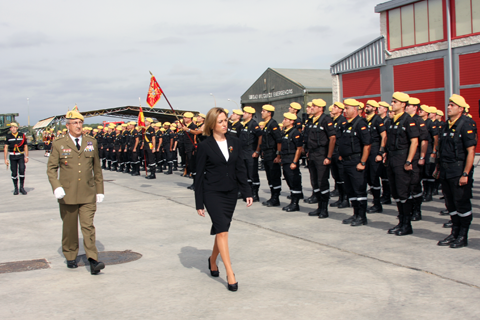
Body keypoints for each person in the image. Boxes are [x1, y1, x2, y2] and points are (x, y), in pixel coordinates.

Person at [195, 107, 253, 292]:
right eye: (220, 121)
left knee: (222, 230)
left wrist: (247, 191)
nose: (224, 124)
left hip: (230, 193)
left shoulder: (234, 141)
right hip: (212, 193)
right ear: (212, 124)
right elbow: (198, 176)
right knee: (222, 230)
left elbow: (240, 168)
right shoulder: (205, 145)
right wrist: (199, 202)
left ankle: (213, 260)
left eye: (225, 120)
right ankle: (230, 272)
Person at [46, 110, 105, 275]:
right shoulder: (59, 144)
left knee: (88, 227)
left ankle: (93, 260)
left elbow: (97, 169)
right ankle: (70, 255)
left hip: (87, 193)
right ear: (68, 126)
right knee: (70, 228)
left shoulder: (90, 142)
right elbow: (51, 169)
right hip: (68, 194)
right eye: (75, 123)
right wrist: (56, 186)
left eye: (80, 123)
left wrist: (99, 190)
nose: (78, 126)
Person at [435, 94, 476, 248]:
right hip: (446, 170)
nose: (448, 107)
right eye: (448, 104)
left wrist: (465, 173)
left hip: (458, 170)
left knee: (462, 203)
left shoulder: (466, 124)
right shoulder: (446, 125)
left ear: (460, 108)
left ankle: (463, 236)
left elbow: (470, 151)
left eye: (452, 105)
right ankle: (454, 232)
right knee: (450, 203)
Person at [385, 92, 419, 236]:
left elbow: (415, 141)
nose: (392, 104)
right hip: (392, 159)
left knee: (403, 192)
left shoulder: (408, 120)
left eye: (395, 102)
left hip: (402, 159)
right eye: (392, 101)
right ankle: (401, 221)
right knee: (396, 193)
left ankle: (407, 224)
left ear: (403, 104)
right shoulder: (393, 121)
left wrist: (409, 160)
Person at [338, 99, 371, 225]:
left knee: (359, 190)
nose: (344, 111)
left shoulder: (360, 123)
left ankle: (362, 217)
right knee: (350, 190)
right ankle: (355, 214)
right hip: (347, 162)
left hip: (356, 161)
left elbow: (367, 145)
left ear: (355, 109)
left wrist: (362, 162)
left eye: (347, 108)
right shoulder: (348, 124)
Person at [305, 99, 336, 217]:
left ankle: (324, 209)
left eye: (314, 106)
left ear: (320, 108)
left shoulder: (326, 120)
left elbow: (332, 138)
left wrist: (328, 156)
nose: (312, 107)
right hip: (312, 154)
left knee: (322, 181)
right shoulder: (312, 121)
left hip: (322, 154)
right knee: (314, 182)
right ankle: (319, 207)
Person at [258, 105, 283, 206]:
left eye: (264, 111)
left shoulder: (273, 124)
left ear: (269, 113)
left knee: (275, 176)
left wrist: (278, 155)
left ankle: (276, 198)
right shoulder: (267, 124)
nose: (261, 112)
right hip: (267, 154)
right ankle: (273, 197)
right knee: (270, 177)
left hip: (273, 154)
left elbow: (279, 140)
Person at [280, 112, 304, 211]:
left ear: (291, 121)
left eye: (286, 119)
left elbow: (299, 148)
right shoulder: (285, 132)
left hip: (291, 159)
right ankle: (292, 201)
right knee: (289, 180)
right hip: (285, 159)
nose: (284, 121)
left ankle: (295, 203)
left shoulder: (295, 133)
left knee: (294, 181)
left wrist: (294, 162)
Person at [240, 106, 262, 202]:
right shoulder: (244, 124)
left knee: (253, 174)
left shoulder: (254, 124)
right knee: (246, 174)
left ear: (250, 114)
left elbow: (260, 137)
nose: (243, 114)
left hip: (251, 152)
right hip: (243, 152)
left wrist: (257, 151)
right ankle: (248, 193)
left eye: (245, 112)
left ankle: (255, 194)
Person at [4, 122, 29, 195]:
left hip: (20, 155)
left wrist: (26, 156)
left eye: (15, 127)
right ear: (10, 129)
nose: (13, 129)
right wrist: (5, 159)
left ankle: (22, 188)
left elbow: (25, 146)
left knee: (22, 170)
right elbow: (6, 147)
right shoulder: (8, 136)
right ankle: (16, 188)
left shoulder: (22, 135)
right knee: (14, 172)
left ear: (17, 128)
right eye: (12, 127)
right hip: (12, 156)